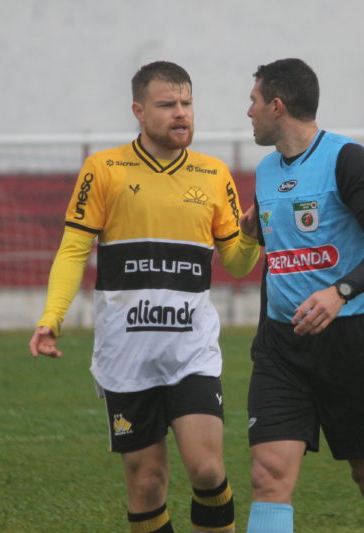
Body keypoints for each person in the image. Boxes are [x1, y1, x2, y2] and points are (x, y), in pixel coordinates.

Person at [28, 61, 260, 533]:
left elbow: (236, 262)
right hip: (126, 354)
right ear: (139, 110)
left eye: (187, 103)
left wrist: (253, 235)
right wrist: (52, 316)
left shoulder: (214, 175)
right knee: (147, 482)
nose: (181, 113)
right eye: (167, 104)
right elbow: (74, 250)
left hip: (190, 351)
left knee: (208, 470)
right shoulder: (104, 170)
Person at [240, 58, 364, 533]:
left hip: (351, 340)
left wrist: (339, 292)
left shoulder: (346, 158)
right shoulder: (265, 172)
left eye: (253, 101)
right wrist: (256, 233)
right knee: (268, 476)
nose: (248, 111)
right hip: (281, 348)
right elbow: (284, 253)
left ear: (277, 106)